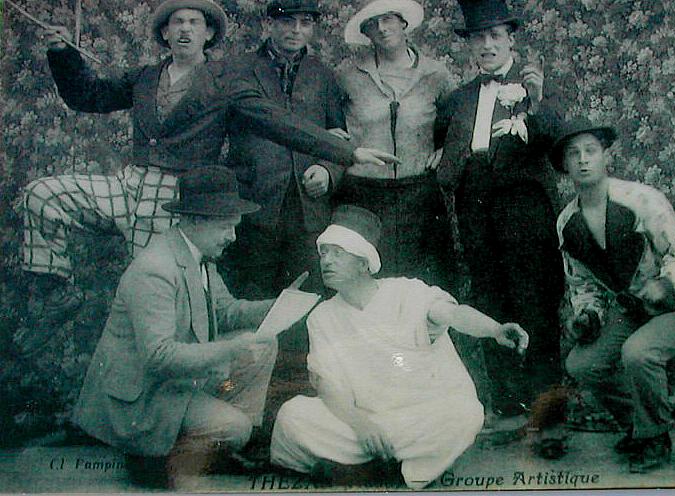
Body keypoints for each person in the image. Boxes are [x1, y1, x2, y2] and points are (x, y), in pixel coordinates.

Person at [18, 0, 396, 354]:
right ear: (165, 33)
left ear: (209, 33)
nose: (185, 30)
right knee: (43, 194)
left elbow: (276, 121)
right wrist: (62, 54)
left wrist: (347, 153)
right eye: (177, 22)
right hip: (130, 183)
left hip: (176, 195)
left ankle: (162, 376)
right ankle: (55, 293)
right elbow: (87, 96)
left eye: (194, 23)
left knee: (153, 291)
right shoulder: (145, 76)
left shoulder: (225, 80)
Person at [269, 205, 529, 489]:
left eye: (338, 253)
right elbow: (327, 384)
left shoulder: (406, 292)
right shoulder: (322, 317)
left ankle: (369, 468)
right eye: (324, 253)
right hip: (362, 421)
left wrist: (494, 329)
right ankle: (384, 465)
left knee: (466, 414)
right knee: (292, 417)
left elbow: (454, 315)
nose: (327, 261)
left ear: (364, 264)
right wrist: (361, 424)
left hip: (420, 415)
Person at [71, 166, 289, 489]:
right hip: (146, 397)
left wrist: (279, 306)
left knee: (264, 344)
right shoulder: (156, 269)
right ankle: (156, 458)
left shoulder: (197, 256)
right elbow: (157, 357)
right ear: (195, 220)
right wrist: (231, 349)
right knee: (235, 426)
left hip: (177, 381)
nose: (232, 236)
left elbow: (225, 312)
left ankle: (223, 444)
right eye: (225, 227)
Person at [434, 0, 564, 418]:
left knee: (535, 306)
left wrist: (536, 103)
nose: (487, 45)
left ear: (511, 39)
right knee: (491, 305)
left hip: (526, 217)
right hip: (477, 216)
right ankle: (508, 406)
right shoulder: (457, 99)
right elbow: (445, 151)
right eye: (478, 37)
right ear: (470, 44)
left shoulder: (536, 89)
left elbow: (556, 141)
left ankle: (547, 410)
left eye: (495, 36)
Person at [551, 118, 675, 472]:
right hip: (633, 308)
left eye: (591, 150)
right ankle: (639, 425)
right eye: (574, 154)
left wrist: (665, 286)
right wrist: (587, 315)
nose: (583, 160)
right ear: (564, 165)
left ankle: (656, 438)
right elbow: (583, 285)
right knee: (581, 364)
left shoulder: (641, 199)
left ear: (606, 156)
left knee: (637, 352)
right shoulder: (567, 221)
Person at [221, 0, 346, 299]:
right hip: (254, 206)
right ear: (269, 24)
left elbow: (340, 138)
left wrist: (327, 171)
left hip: (308, 210)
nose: (296, 30)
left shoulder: (323, 75)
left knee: (307, 297)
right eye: (288, 21)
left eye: (305, 23)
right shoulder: (239, 70)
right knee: (253, 298)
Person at [334, 0, 455, 288]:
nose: (382, 28)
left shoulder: (435, 74)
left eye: (388, 19)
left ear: (403, 23)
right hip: (364, 192)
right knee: (371, 278)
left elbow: (456, 123)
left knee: (421, 281)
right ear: (366, 33)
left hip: (418, 193)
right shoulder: (347, 76)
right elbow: (330, 124)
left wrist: (446, 149)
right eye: (373, 24)